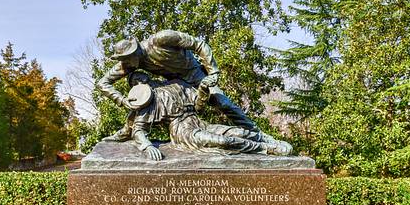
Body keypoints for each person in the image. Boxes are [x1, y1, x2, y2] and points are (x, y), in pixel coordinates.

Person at [97, 29, 256, 130]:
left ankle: (256, 133)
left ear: (136, 51)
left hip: (196, 75)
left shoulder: (162, 39)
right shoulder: (131, 62)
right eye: (124, 59)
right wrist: (122, 100)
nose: (126, 63)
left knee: (223, 103)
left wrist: (212, 71)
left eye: (127, 58)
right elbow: (103, 83)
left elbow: (199, 44)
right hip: (176, 86)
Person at [116, 72, 292, 160]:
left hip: (198, 122)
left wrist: (203, 89)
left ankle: (268, 140)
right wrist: (147, 146)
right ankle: (267, 150)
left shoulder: (177, 85)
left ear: (148, 76)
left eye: (142, 77)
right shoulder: (149, 102)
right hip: (183, 131)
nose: (141, 82)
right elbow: (138, 129)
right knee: (222, 142)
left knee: (237, 132)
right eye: (135, 82)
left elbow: (199, 106)